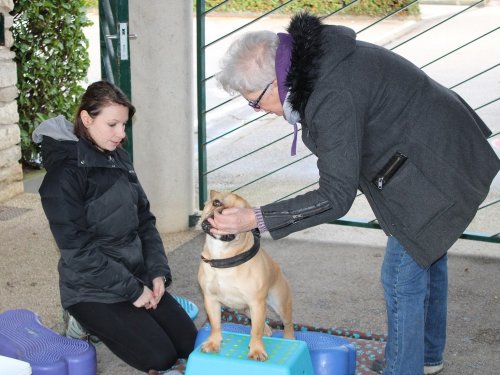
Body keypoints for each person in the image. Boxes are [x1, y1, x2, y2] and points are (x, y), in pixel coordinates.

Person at [208, 12, 500, 375]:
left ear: (275, 81)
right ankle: (422, 357)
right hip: (438, 148)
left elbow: (335, 196)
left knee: (400, 275)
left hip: (440, 164)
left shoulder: (330, 94)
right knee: (428, 252)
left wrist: (256, 218)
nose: (256, 110)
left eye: (254, 101)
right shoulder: (317, 62)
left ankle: (404, 368)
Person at [32, 81, 197, 373]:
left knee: (188, 343)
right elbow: (79, 253)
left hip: (134, 273)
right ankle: (81, 319)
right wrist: (134, 291)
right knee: (160, 358)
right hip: (90, 288)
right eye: (113, 124)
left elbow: (144, 220)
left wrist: (157, 271)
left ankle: (118, 315)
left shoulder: (117, 156)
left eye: (124, 124)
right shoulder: (62, 177)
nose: (121, 134)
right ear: (86, 118)